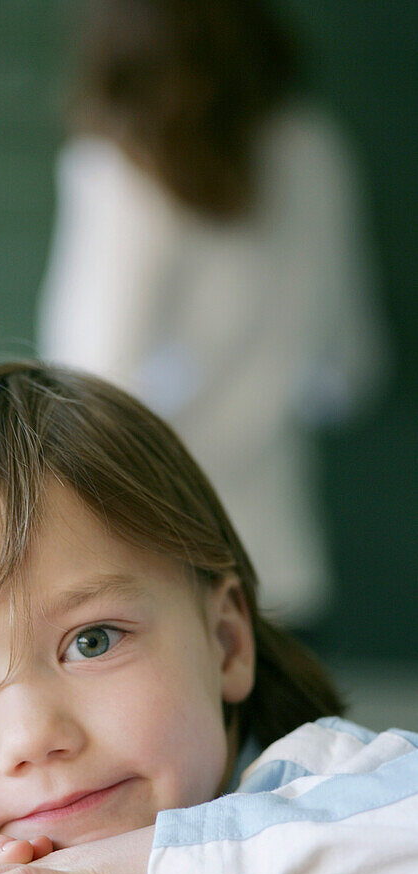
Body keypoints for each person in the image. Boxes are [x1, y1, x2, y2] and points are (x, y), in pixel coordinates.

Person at [0, 362, 417, 874]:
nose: (33, 738)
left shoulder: (321, 782)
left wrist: (145, 867)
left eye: (90, 642)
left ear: (226, 643)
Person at [36, 0, 387, 633]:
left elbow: (86, 390)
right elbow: (349, 372)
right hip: (279, 558)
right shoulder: (312, 149)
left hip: (155, 568)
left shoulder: (121, 165)